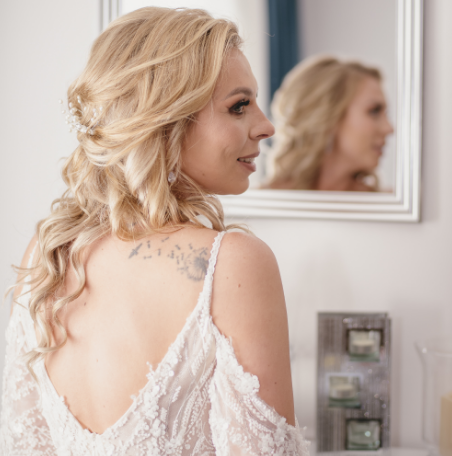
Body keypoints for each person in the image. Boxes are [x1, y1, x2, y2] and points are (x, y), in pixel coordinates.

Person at [0, 7, 310, 455]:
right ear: (167, 121)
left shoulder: (47, 255)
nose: (265, 126)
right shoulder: (230, 263)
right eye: (239, 106)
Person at [266, 55, 394, 192]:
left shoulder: (387, 201)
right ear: (328, 116)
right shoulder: (265, 199)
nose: (389, 129)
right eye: (374, 111)